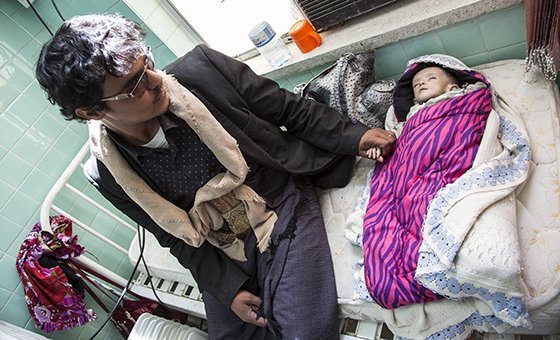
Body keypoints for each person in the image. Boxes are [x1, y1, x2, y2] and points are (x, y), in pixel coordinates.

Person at [35, 14, 396, 339]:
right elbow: (174, 236)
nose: (156, 80)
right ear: (91, 111)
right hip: (218, 242)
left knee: (304, 331)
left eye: (147, 64)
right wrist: (229, 290)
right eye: (134, 86)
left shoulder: (202, 71)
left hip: (276, 204)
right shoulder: (108, 173)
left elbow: (290, 108)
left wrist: (354, 136)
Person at [360, 54, 492, 309]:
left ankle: (428, 271)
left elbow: (469, 128)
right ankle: (408, 275)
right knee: (390, 217)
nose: (421, 83)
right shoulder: (412, 118)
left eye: (431, 77)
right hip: (411, 167)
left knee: (424, 208)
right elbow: (402, 151)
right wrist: (384, 151)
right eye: (416, 83)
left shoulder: (464, 103)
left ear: (453, 86)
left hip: (443, 160)